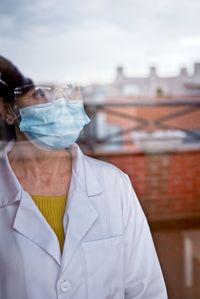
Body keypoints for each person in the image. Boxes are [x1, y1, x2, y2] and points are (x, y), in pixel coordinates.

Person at [0, 55, 168, 299]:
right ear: (6, 110)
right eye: (40, 93)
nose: (60, 103)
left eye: (69, 89)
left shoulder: (114, 185)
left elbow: (146, 290)